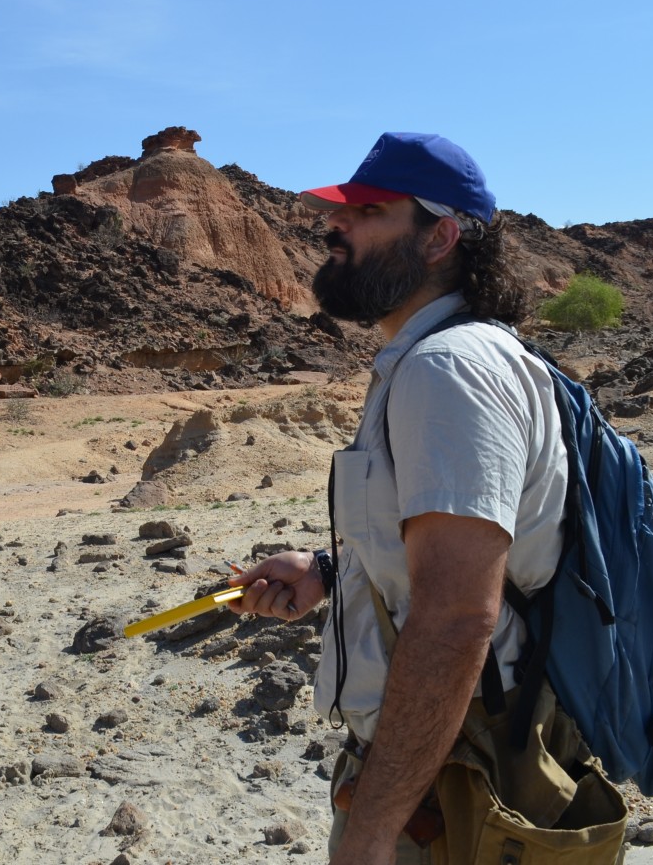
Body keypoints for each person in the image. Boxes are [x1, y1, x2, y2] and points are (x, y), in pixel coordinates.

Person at [226, 132, 574, 865]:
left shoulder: (448, 372)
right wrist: (327, 569)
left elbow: (456, 618)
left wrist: (374, 830)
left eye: (368, 211)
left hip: (453, 774)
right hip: (447, 757)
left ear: (440, 236)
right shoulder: (438, 359)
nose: (335, 226)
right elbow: (455, 560)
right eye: (341, 211)